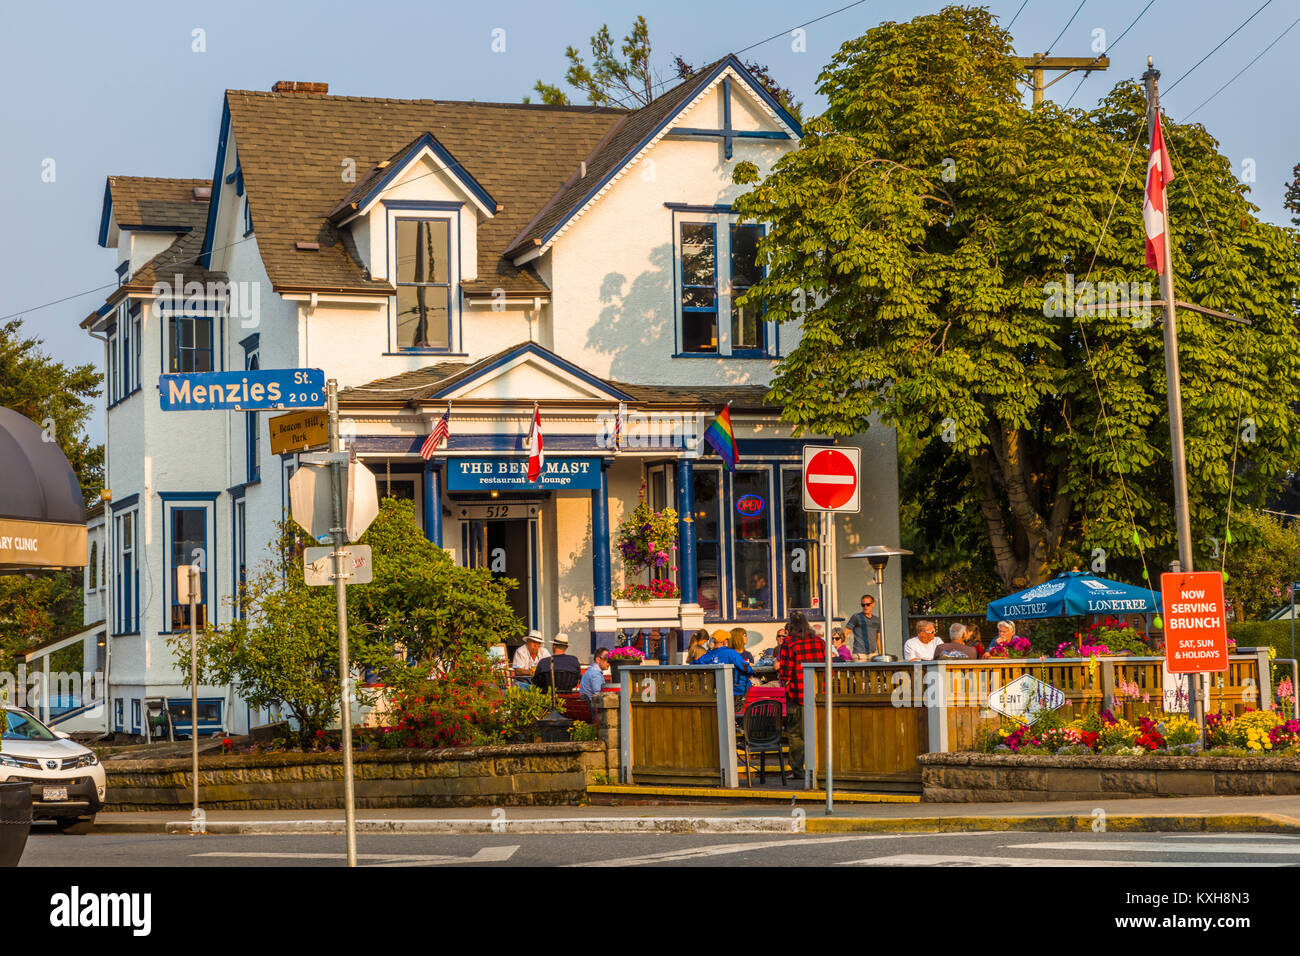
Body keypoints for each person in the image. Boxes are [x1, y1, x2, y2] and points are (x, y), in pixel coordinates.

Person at [777, 611, 825, 776]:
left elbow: (785, 672)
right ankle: (819, 766)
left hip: (797, 694)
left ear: (791, 626)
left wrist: (785, 683)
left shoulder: (788, 643)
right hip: (818, 693)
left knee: (797, 733)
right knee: (818, 731)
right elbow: (827, 667)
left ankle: (798, 769)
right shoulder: (819, 642)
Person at [694, 629, 754, 701]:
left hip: (714, 691)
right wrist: (751, 673)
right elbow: (746, 669)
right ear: (725, 641)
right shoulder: (731, 653)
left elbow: (693, 665)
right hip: (736, 691)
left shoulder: (707, 656)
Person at [847, 594, 882, 658]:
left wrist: (880, 654)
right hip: (859, 654)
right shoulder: (856, 617)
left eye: (868, 604)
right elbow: (845, 633)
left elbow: (878, 639)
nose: (865, 607)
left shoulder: (877, 620)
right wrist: (843, 650)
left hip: (872, 654)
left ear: (872, 604)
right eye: (863, 605)